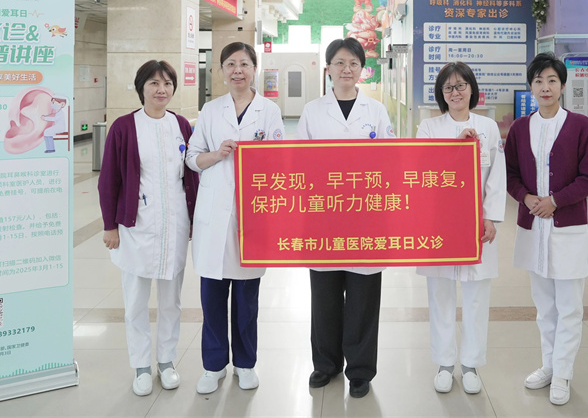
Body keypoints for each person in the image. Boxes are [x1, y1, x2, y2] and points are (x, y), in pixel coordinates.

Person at [296, 38, 394, 399]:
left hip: (366, 216)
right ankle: (325, 364)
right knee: (324, 295)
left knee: (363, 297)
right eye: (339, 63)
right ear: (328, 69)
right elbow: (298, 164)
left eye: (353, 63)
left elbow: (390, 161)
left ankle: (361, 371)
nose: (346, 69)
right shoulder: (312, 111)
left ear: (362, 69)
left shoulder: (376, 111)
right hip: (323, 216)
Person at [186, 42, 284, 395]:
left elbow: (280, 160)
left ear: (255, 68)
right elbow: (192, 158)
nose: (237, 70)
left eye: (244, 64)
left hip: (252, 214)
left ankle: (245, 363)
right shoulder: (211, 111)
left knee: (246, 300)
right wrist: (217, 154)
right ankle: (213, 366)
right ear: (222, 70)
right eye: (230, 64)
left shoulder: (269, 111)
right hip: (214, 214)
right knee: (212, 299)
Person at [504, 53, 588, 406]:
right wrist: (526, 197)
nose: (545, 87)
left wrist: (556, 201)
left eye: (551, 81)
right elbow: (510, 174)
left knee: (570, 306)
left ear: (562, 85)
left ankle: (563, 373)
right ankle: (549, 365)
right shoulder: (520, 128)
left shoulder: (579, 125)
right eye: (538, 81)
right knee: (544, 305)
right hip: (534, 227)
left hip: (567, 227)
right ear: (530, 86)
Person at [98, 61, 199, 396]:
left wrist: (194, 219)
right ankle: (141, 366)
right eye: (154, 83)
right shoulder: (124, 127)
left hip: (174, 226)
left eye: (167, 83)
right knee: (136, 302)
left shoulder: (180, 125)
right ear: (141, 87)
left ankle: (166, 362)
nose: (161, 90)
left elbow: (191, 176)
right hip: (135, 226)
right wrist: (110, 225)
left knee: (171, 302)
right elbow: (109, 180)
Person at [416, 62, 505, 395]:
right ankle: (444, 363)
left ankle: (470, 365)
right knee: (440, 295)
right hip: (439, 224)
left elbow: (497, 177)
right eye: (448, 88)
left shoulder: (488, 127)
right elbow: (423, 172)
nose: (455, 93)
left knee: (476, 296)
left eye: (460, 86)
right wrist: (458, 145)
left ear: (471, 89)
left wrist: (490, 217)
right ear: (441, 94)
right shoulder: (428, 127)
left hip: (476, 225)